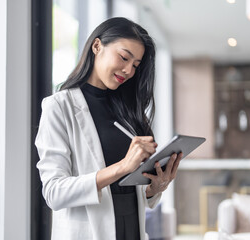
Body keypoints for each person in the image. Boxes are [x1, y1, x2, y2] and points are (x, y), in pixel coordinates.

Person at [35, 17, 183, 240]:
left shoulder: (130, 112)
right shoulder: (58, 107)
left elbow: (137, 192)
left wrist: (155, 187)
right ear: (97, 46)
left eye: (135, 65)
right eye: (124, 57)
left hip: (132, 227)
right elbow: (54, 192)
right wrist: (122, 167)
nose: (128, 70)